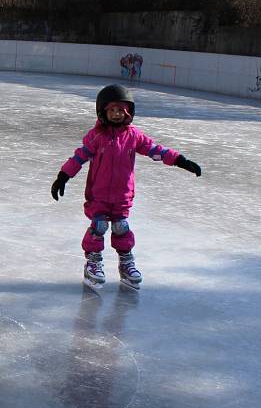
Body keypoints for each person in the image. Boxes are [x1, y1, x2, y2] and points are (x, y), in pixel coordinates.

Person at [51, 84, 202, 291]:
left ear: (128, 112)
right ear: (103, 112)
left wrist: (179, 160)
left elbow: (155, 150)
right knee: (99, 227)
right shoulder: (97, 136)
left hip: (122, 196)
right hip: (99, 195)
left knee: (121, 228)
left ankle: (126, 263)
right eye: (111, 110)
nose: (116, 114)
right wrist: (63, 176)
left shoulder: (133, 136)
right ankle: (93, 262)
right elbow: (79, 157)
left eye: (120, 111)